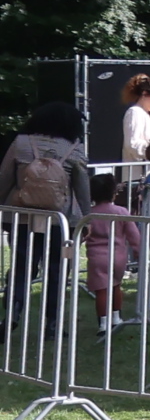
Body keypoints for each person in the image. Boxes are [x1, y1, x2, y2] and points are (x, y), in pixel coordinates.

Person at [2, 102, 91, 342]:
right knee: (57, 270)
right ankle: (52, 323)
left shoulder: (21, 143)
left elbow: (5, 178)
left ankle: (13, 312)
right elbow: (82, 189)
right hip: (61, 220)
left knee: (22, 266)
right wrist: (86, 219)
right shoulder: (74, 149)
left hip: (22, 217)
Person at [84, 173, 138, 327]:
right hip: (118, 257)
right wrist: (138, 250)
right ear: (113, 193)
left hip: (96, 258)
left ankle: (103, 322)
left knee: (101, 290)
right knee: (115, 286)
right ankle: (116, 317)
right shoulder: (121, 212)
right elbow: (134, 235)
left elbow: (81, 235)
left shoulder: (89, 214)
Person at [120, 74, 150, 166]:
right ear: (145, 93)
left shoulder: (144, 114)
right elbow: (132, 144)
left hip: (149, 174)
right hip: (139, 176)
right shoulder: (134, 112)